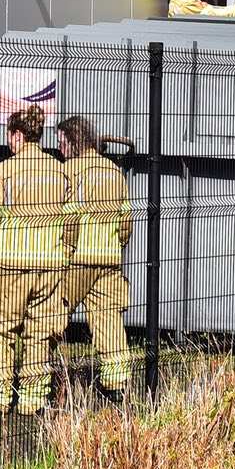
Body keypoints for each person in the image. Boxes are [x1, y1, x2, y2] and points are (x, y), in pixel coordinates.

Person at [0, 104, 72, 415]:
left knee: (0, 330)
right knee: (40, 332)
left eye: (9, 134)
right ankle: (32, 400)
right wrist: (65, 254)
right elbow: (73, 222)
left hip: (10, 265)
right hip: (50, 266)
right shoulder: (60, 170)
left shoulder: (4, 170)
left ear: (17, 135)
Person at [55, 115, 133, 402]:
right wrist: (116, 245)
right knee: (108, 320)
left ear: (73, 142)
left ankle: (36, 381)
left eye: (61, 143)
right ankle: (117, 385)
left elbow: (68, 220)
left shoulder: (68, 171)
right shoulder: (114, 172)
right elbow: (126, 221)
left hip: (76, 259)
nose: (60, 149)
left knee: (51, 316)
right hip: (109, 258)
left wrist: (62, 250)